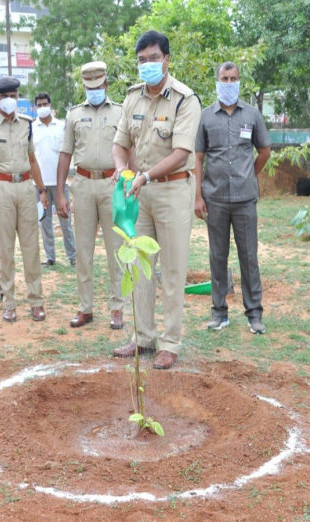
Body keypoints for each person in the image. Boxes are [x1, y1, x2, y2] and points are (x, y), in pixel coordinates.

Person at [111, 30, 202, 369]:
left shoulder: (184, 99)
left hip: (173, 189)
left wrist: (145, 175)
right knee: (139, 266)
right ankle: (144, 338)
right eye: (141, 60)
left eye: (153, 58)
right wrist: (123, 171)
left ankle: (171, 342)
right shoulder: (132, 98)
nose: (147, 65)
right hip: (139, 191)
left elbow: (181, 154)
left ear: (166, 59)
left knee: (174, 269)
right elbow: (120, 145)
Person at [194, 61, 271, 334]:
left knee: (249, 256)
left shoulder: (251, 115)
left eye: (234, 78)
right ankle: (219, 312)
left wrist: (249, 175)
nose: (229, 83)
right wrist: (198, 196)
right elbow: (199, 158)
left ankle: (254, 314)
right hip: (214, 198)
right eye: (225, 78)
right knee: (217, 256)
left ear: (240, 81)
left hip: (244, 199)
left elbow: (264, 151)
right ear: (217, 82)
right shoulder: (206, 117)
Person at [56, 61, 124, 330]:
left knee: (115, 251)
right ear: (84, 86)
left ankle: (118, 308)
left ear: (106, 84)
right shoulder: (74, 115)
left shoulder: (120, 112)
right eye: (88, 87)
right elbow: (65, 154)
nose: (94, 90)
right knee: (83, 251)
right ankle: (85, 308)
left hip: (112, 184)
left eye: (98, 86)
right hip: (82, 183)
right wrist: (61, 193)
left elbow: (128, 149)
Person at [0, 76, 47, 322]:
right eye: (5, 96)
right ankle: (9, 303)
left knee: (31, 248)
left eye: (14, 96)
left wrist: (42, 190)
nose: (9, 100)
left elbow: (33, 159)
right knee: (5, 249)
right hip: (0, 188)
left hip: (25, 187)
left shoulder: (26, 124)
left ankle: (36, 301)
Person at [32, 92, 76, 267]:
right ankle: (50, 257)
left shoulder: (62, 126)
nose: (42, 108)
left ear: (50, 105)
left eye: (45, 104)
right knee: (45, 223)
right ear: (35, 108)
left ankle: (73, 256)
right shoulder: (32, 128)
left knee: (66, 221)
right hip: (39, 185)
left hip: (60, 184)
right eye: (39, 105)